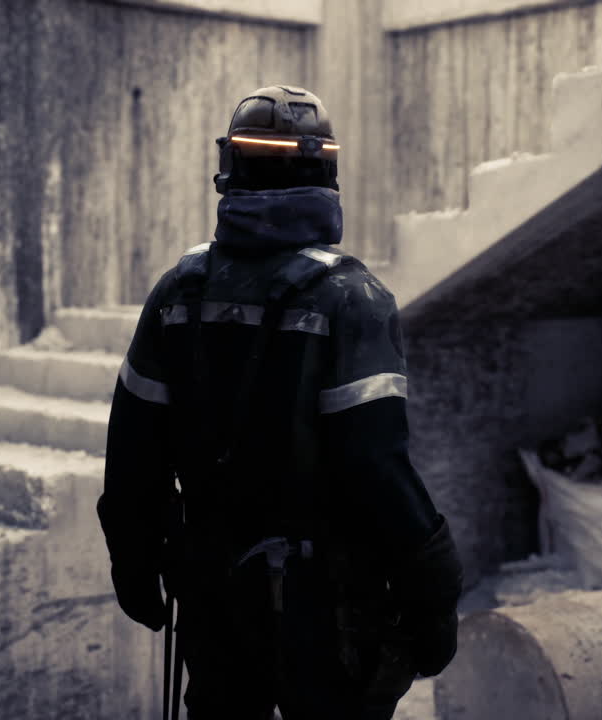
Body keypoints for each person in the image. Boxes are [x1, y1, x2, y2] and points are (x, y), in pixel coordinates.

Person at [98, 85, 464, 720]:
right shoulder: (353, 298)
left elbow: (133, 447)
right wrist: (433, 589)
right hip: (326, 611)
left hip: (211, 595)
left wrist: (133, 558)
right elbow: (377, 469)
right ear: (327, 171)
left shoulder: (179, 291)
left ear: (230, 168)